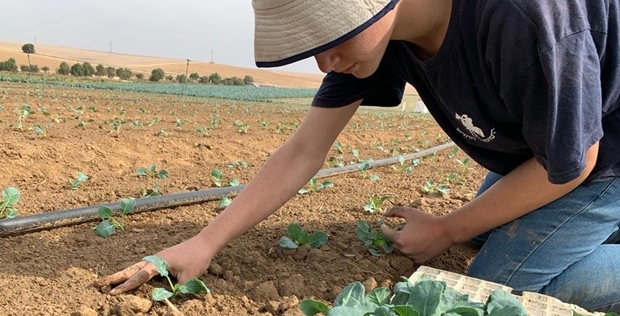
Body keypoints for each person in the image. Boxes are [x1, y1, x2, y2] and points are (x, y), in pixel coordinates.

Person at [94, 0, 620, 312]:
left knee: (487, 291)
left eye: (332, 36)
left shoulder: (522, 19)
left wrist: (449, 227)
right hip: (553, 151)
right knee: (491, 233)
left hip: (600, 156)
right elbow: (304, 149)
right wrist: (206, 242)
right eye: (311, 45)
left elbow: (573, 161)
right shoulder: (380, 36)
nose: (326, 59)